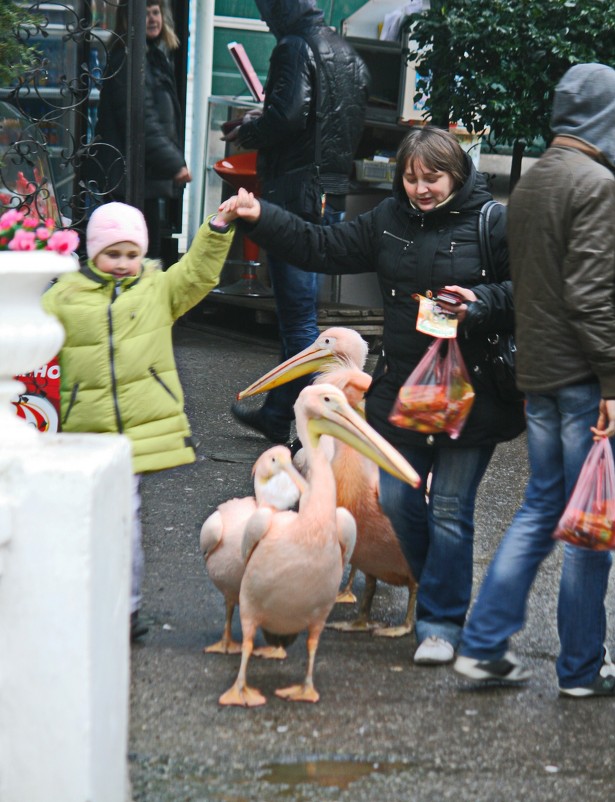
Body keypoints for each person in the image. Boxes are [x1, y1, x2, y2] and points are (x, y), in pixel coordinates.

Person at [220, 125, 526, 665]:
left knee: (452, 509)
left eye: (432, 178)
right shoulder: (387, 221)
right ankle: (440, 593)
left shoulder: (491, 223)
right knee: (402, 499)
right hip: (403, 392)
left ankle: (439, 623)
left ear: (457, 173)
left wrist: (478, 300)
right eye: (410, 178)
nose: (421, 189)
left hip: (470, 395)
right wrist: (261, 216)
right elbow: (321, 245)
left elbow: (524, 291)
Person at [454, 63, 615, 697]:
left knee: (542, 507)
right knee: (587, 523)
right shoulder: (597, 184)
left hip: (539, 374)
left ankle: (485, 644)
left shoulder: (533, 181)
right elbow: (592, 295)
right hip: (581, 379)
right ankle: (579, 669)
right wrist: (612, 380)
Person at [42, 201, 236, 641]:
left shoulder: (156, 291)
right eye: (114, 254)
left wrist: (218, 228)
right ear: (93, 253)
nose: (124, 265)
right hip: (83, 430)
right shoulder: (64, 298)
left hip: (133, 437)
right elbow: (37, 347)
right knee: (83, 521)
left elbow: (197, 274)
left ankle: (126, 610)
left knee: (123, 520)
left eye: (132, 255)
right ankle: (81, 600)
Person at [225, 0, 370, 445]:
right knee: (302, 315)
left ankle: (322, 428)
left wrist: (249, 131)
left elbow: (287, 116)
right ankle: (276, 414)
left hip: (296, 192)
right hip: (330, 191)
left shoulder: (293, 46)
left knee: (300, 322)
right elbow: (338, 118)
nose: (265, 19)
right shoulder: (346, 52)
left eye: (267, 10)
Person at [92, 0, 191, 259]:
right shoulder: (129, 59)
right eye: (145, 14)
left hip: (142, 175)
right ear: (128, 20)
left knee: (146, 251)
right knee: (142, 254)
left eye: (156, 12)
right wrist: (174, 163)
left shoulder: (151, 55)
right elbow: (141, 121)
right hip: (127, 178)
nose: (152, 19)